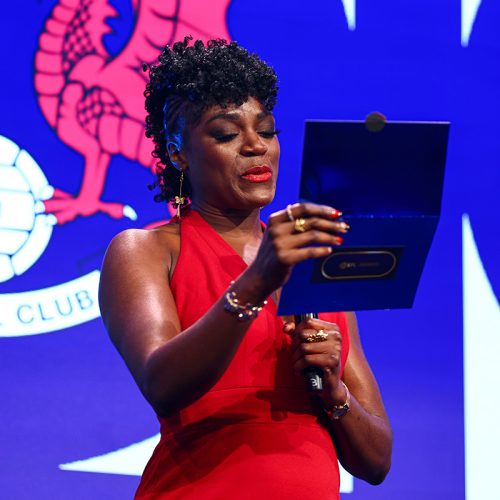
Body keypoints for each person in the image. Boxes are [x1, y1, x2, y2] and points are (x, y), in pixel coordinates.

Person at [99, 37, 392, 499]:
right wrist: (256, 283)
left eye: (268, 130)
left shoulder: (315, 261)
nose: (256, 146)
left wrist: (335, 393)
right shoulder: (146, 250)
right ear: (178, 153)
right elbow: (162, 383)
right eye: (226, 134)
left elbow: (376, 462)